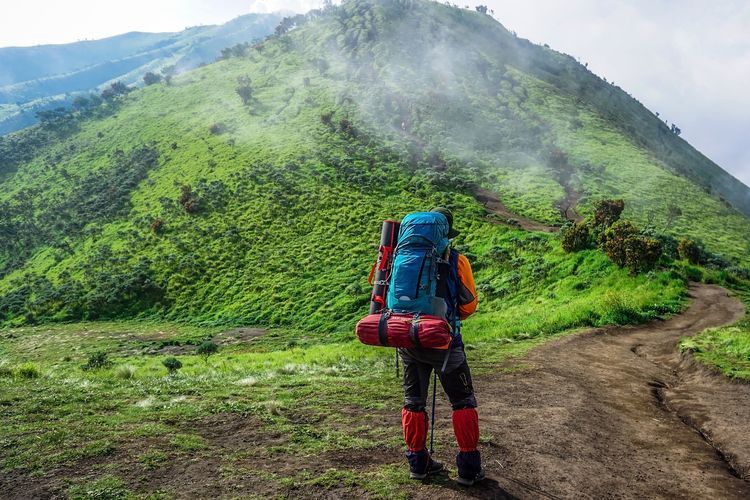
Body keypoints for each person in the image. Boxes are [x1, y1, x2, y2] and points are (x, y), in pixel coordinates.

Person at [399, 207, 484, 486]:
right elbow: (469, 305)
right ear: (445, 233)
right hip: (444, 341)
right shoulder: (457, 260)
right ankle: (468, 470)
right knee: (462, 402)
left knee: (414, 403)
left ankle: (418, 464)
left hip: (407, 337)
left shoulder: (400, 256)